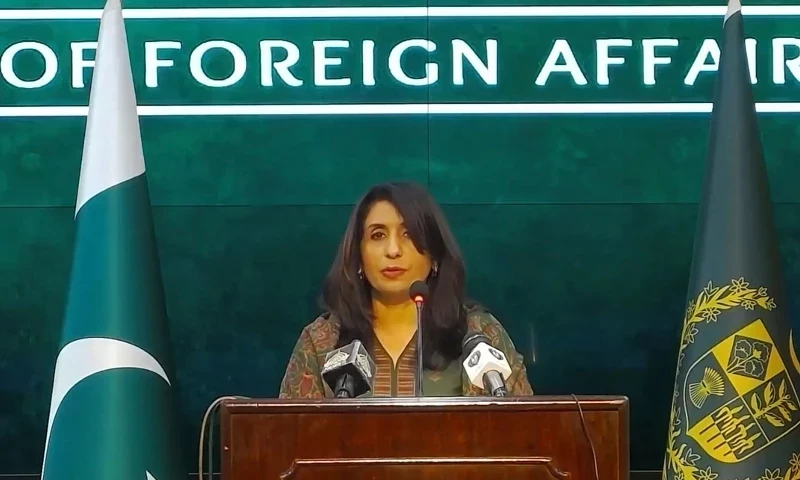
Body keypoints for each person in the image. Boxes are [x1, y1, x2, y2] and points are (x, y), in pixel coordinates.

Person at [278, 181, 533, 398]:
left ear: (434, 254)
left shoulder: (479, 333)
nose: (393, 250)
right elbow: (289, 434)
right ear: (358, 256)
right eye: (378, 235)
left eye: (408, 234)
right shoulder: (321, 341)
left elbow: (526, 429)